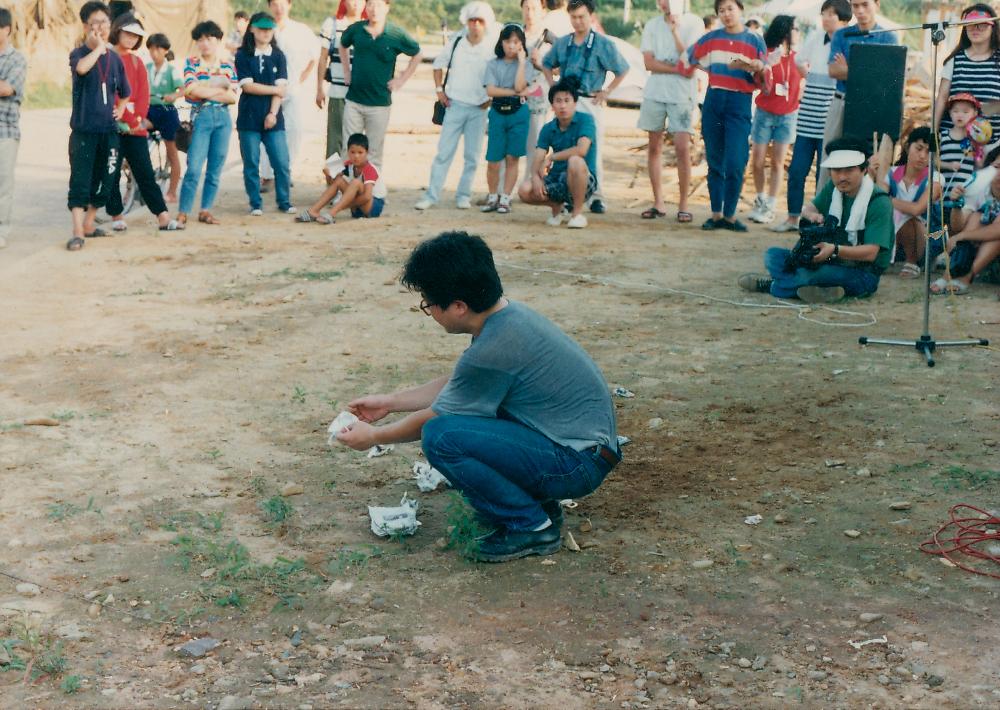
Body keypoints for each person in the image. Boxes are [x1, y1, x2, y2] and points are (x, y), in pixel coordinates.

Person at [335, 231, 620, 563]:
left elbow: (436, 417)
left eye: (428, 304)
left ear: (458, 306)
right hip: (582, 449)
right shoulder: (506, 318)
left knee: (442, 437)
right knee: (468, 421)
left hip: (575, 463)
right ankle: (536, 509)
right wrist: (389, 402)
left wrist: (375, 437)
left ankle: (531, 527)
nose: (429, 311)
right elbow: (462, 383)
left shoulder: (495, 345)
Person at [738, 136, 893, 302]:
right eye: (836, 170)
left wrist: (834, 250)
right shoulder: (833, 189)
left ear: (864, 170)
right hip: (832, 260)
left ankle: (773, 286)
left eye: (849, 170)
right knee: (773, 255)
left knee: (814, 273)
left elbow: (871, 253)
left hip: (863, 272)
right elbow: (809, 209)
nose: (841, 177)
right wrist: (812, 215)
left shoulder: (879, 201)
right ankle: (820, 289)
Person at [682, 0, 765, 232]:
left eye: (730, 9)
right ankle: (716, 214)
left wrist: (757, 66)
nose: (726, 14)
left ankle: (730, 215)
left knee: (737, 161)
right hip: (714, 99)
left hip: (740, 102)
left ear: (740, 9)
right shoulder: (711, 38)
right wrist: (711, 69)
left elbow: (764, 75)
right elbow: (690, 56)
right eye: (721, 10)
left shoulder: (754, 39)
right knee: (715, 160)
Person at [542, 0, 629, 214]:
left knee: (592, 148)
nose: (578, 22)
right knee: (564, 148)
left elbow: (622, 69)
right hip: (566, 100)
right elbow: (546, 62)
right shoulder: (563, 43)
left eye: (582, 16)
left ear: (591, 16)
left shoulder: (603, 43)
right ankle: (566, 194)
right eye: (573, 17)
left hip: (590, 100)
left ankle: (597, 196)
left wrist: (607, 91)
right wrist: (553, 86)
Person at [773, 0, 851, 233]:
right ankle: (792, 217)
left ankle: (819, 220)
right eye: (824, 13)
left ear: (844, 20)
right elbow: (798, 60)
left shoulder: (847, 40)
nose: (826, 18)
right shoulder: (816, 36)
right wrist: (809, 77)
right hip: (808, 115)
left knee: (824, 172)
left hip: (832, 115)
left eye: (832, 15)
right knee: (797, 170)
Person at [414, 2, 495, 211]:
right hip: (455, 104)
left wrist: (491, 99)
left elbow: (499, 74)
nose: (475, 24)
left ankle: (463, 195)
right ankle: (432, 195)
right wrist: (439, 91)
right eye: (472, 20)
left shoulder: (490, 46)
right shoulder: (457, 41)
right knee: (444, 153)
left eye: (480, 21)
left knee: (472, 156)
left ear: (486, 23)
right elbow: (437, 65)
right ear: (466, 21)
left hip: (479, 108)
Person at [104, 14, 178, 233]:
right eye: (127, 33)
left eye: (135, 36)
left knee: (144, 171)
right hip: (113, 125)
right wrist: (124, 117)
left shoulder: (137, 62)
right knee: (112, 171)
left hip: (135, 127)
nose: (131, 39)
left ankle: (162, 216)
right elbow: (110, 93)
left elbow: (144, 94)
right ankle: (116, 214)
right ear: (117, 31)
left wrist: (138, 119)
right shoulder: (107, 58)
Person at [66, 1, 131, 251]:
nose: (101, 27)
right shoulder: (78, 54)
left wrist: (122, 108)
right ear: (85, 27)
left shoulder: (115, 60)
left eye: (105, 23)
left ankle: (90, 223)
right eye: (96, 23)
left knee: (107, 178)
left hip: (108, 131)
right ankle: (77, 230)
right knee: (80, 181)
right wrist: (99, 48)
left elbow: (125, 92)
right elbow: (82, 69)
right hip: (83, 131)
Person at [638, 0, 705, 223]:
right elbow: (649, 62)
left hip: (682, 95)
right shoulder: (651, 25)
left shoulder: (694, 23)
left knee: (682, 148)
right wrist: (677, 68)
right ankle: (658, 201)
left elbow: (691, 59)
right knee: (654, 145)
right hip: (655, 91)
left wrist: (676, 31)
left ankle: (684, 204)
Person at [821, 0, 897, 186]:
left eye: (865, 4)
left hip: (874, 106)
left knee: (871, 164)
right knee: (830, 157)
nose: (860, 11)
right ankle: (823, 208)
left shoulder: (888, 37)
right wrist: (872, 70)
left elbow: (888, 78)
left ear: (877, 4)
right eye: (855, 6)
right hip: (842, 102)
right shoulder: (841, 34)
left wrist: (850, 68)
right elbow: (834, 71)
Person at [340, 0, 423, 168]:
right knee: (348, 147)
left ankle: (373, 191)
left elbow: (418, 53)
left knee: (374, 151)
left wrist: (401, 79)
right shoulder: (356, 29)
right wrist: (346, 71)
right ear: (365, 6)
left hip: (379, 104)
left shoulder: (395, 34)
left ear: (387, 7)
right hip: (354, 100)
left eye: (379, 5)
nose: (374, 9)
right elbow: (343, 45)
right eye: (370, 4)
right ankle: (348, 189)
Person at [175, 20, 237, 228]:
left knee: (215, 168)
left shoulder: (228, 64)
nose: (205, 43)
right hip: (201, 116)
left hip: (223, 118)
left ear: (218, 40)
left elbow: (232, 97)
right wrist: (219, 89)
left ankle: (205, 210)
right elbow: (191, 90)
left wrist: (205, 89)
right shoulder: (191, 62)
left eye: (209, 39)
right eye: (200, 40)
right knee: (193, 167)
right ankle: (183, 211)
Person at [517, 76, 597, 228]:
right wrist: (535, 176)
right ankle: (557, 207)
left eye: (567, 100)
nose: (563, 106)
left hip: (584, 177)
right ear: (552, 105)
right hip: (558, 177)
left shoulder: (586, 120)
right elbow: (539, 154)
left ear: (575, 103)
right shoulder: (548, 128)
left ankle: (577, 214)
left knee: (575, 161)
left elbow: (582, 150)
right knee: (524, 190)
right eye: (558, 101)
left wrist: (552, 157)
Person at [235, 12, 293, 217]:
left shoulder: (278, 55)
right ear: (252, 29)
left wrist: (273, 113)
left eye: (269, 29)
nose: (266, 32)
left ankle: (284, 201)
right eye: (261, 28)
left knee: (282, 161)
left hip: (273, 117)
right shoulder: (242, 55)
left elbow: (282, 87)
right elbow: (247, 86)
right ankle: (255, 202)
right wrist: (274, 90)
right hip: (248, 117)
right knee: (251, 162)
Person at [257, 0, 318, 193]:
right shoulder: (262, 28)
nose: (279, 7)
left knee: (294, 130)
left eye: (283, 3)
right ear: (269, 6)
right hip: (267, 88)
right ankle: (266, 175)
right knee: (266, 129)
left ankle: (285, 171)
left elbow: (314, 56)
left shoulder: (301, 30)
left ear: (290, 5)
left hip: (292, 88)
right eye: (275, 3)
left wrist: (301, 78)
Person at [747, 15, 802, 225]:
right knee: (758, 160)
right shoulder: (767, 54)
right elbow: (758, 83)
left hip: (788, 114)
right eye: (795, 28)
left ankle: (770, 203)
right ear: (785, 31)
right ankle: (760, 198)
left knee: (778, 162)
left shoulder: (799, 57)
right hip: (765, 111)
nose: (797, 32)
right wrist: (766, 67)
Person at [874, 126, 943, 279]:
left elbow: (917, 209)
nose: (923, 156)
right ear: (907, 146)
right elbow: (878, 200)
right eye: (918, 149)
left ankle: (913, 261)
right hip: (894, 235)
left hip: (925, 236)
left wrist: (889, 200)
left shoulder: (936, 178)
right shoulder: (892, 173)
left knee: (908, 217)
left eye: (928, 152)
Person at [482, 23, 534, 215]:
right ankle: (492, 195)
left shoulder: (526, 65)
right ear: (501, 42)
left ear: (521, 44)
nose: (511, 46)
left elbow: (522, 85)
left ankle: (506, 197)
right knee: (493, 159)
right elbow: (491, 90)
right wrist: (513, 91)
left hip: (518, 113)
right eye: (507, 41)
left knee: (513, 157)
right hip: (497, 113)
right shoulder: (493, 64)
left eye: (516, 42)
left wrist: (521, 62)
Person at [935, 5, 1000, 140]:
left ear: (992, 27)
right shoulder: (954, 60)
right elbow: (942, 98)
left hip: (991, 142)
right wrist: (933, 133)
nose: (975, 29)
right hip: (953, 140)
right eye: (970, 24)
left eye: (981, 25)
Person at [933, 162, 1000, 294]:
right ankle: (949, 274)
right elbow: (958, 226)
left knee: (996, 236)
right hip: (983, 251)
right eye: (997, 167)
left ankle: (966, 276)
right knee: (976, 217)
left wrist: (962, 236)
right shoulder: (979, 186)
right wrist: (957, 205)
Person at [318, 0, 365, 174]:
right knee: (335, 140)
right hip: (338, 90)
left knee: (359, 142)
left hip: (363, 93)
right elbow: (323, 58)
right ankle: (336, 184)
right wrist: (319, 88)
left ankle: (356, 182)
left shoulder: (370, 25)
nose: (356, 3)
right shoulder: (333, 24)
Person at [296, 132, 386, 223]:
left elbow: (367, 196)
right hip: (357, 209)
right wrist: (328, 174)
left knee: (355, 183)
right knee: (339, 180)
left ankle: (332, 213)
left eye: (360, 152)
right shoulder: (348, 165)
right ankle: (313, 211)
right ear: (348, 152)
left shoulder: (369, 169)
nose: (356, 156)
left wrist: (344, 205)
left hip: (373, 206)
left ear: (367, 153)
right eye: (352, 152)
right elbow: (333, 184)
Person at [145, 33, 183, 203]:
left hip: (167, 112)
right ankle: (132, 188)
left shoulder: (171, 70)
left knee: (172, 153)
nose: (154, 53)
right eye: (151, 49)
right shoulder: (146, 67)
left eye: (158, 49)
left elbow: (181, 90)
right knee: (134, 137)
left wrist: (172, 95)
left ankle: (172, 192)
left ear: (165, 50)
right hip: (149, 110)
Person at [0, 6, 26, 250]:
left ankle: (1, 229)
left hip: (5, 130)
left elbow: (7, 89)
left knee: (3, 183)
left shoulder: (16, 58)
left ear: (6, 30)